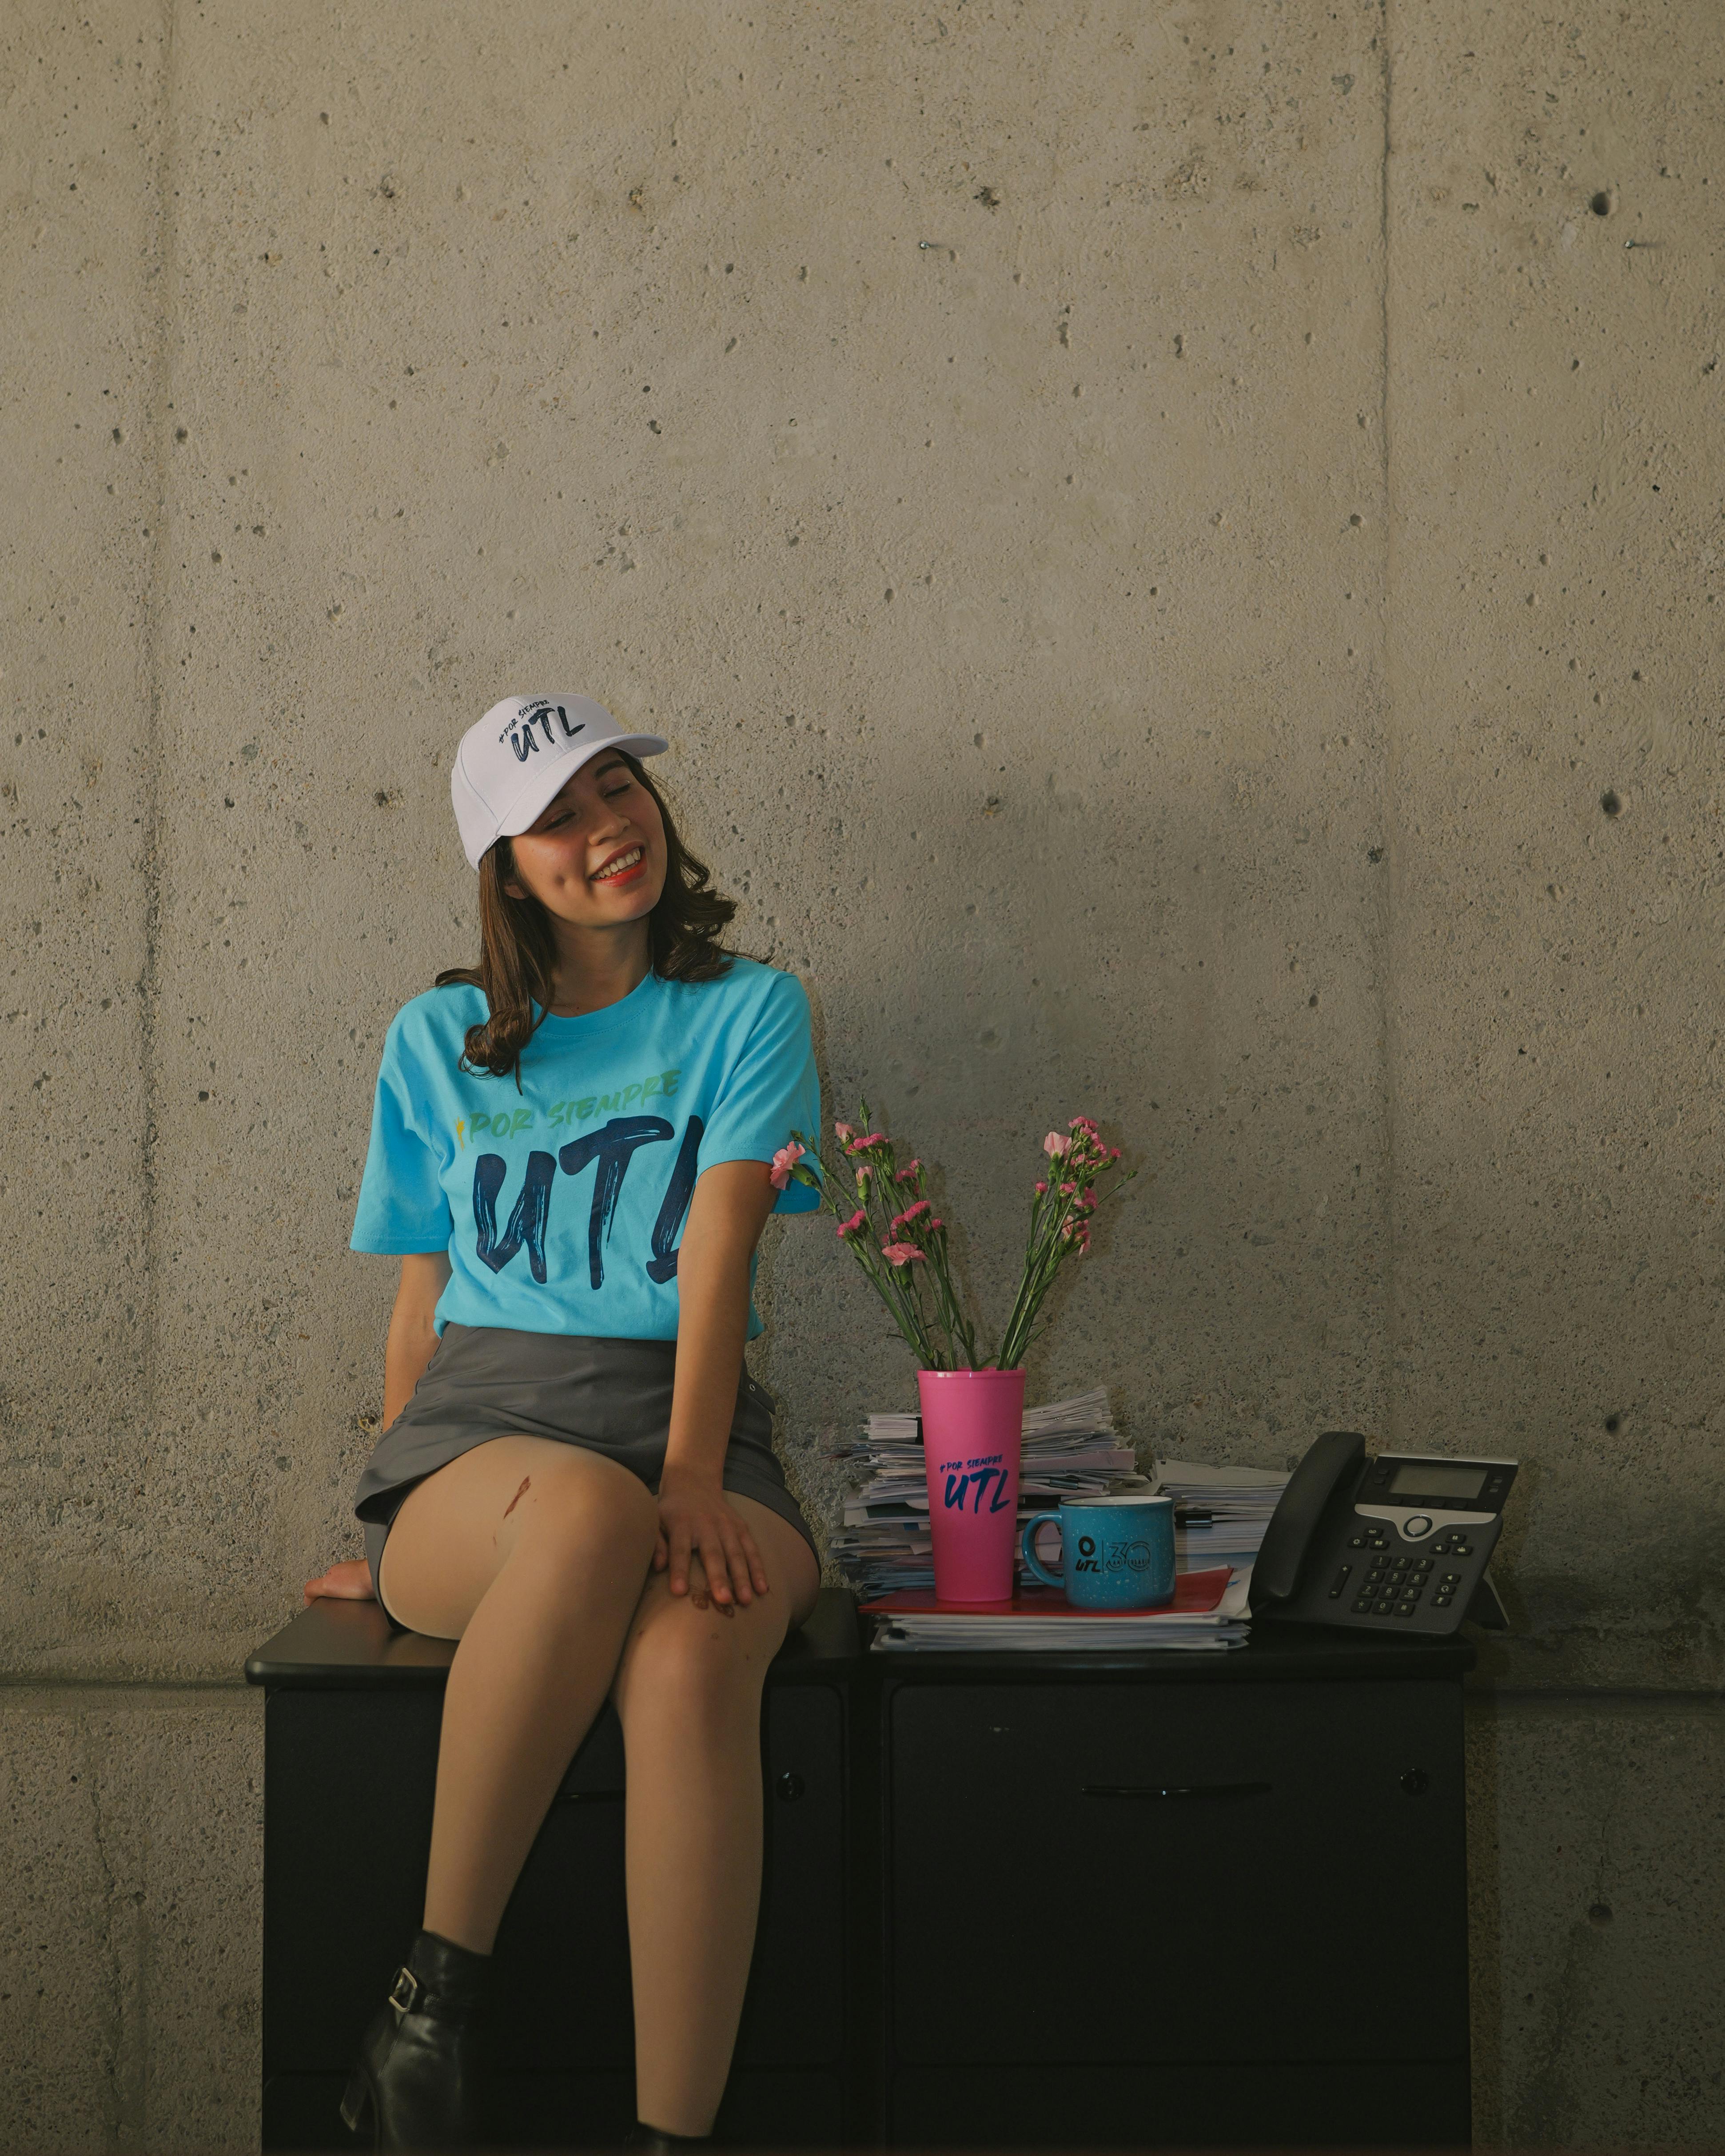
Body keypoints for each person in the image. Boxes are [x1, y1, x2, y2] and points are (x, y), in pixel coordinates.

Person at [304, 693, 822, 2152]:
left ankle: (673, 2140)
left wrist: (695, 1474)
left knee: (690, 1660)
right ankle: (427, 2019)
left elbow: (718, 1260)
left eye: (616, 790)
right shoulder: (438, 1036)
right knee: (589, 1514)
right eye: (559, 817)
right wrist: (391, 1518)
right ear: (507, 867)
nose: (608, 829)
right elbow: (421, 1295)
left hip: (694, 1429)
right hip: (480, 1441)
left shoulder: (750, 1011)